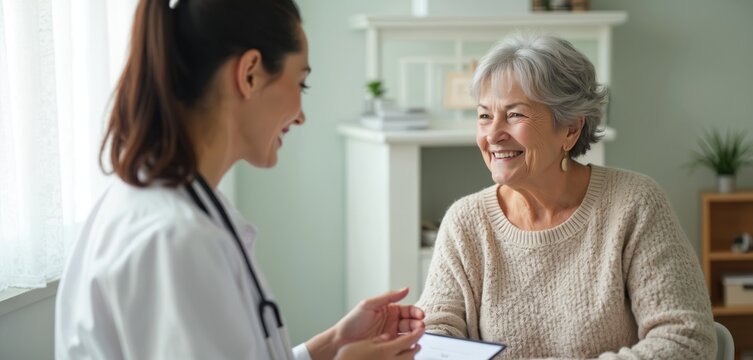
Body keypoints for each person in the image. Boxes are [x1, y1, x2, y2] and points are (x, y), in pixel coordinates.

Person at [54, 0, 425, 359]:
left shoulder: (182, 205)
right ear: (249, 74)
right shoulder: (176, 239)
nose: (300, 116)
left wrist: (332, 344)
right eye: (301, 84)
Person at [415, 34, 716, 358]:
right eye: (485, 115)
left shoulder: (635, 204)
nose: (493, 134)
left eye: (515, 115)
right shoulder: (465, 223)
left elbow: (686, 340)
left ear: (571, 129)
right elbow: (435, 335)